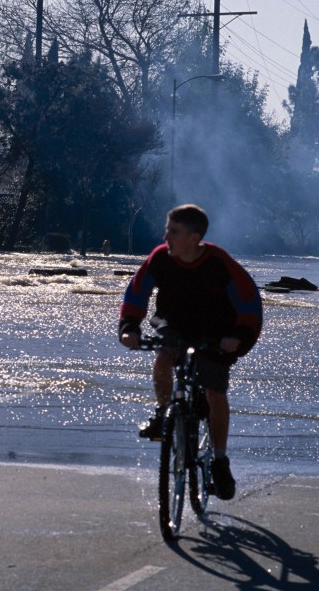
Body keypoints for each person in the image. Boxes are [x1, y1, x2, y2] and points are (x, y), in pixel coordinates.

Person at [118, 204, 262, 500]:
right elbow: (137, 292)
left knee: (214, 393)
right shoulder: (160, 258)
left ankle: (220, 460)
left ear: (195, 237)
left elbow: (249, 304)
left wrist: (238, 337)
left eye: (173, 232)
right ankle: (162, 414)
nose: (165, 237)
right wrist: (130, 327)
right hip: (173, 325)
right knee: (163, 358)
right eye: (166, 230)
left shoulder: (219, 263)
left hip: (217, 332)